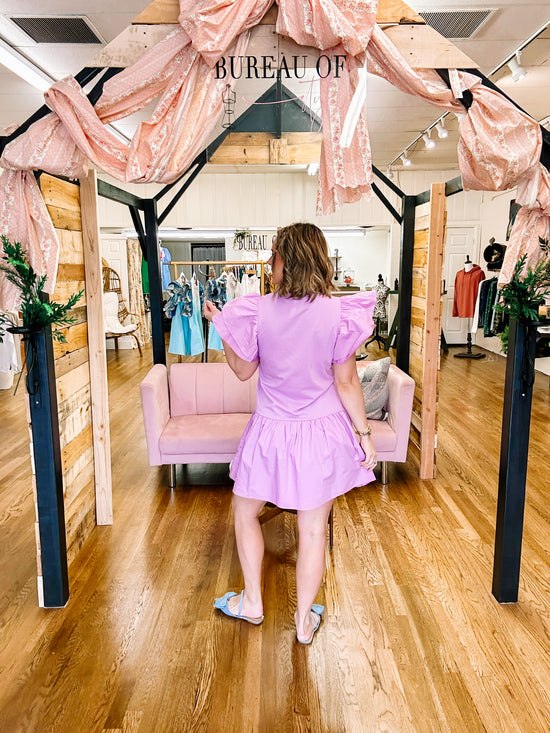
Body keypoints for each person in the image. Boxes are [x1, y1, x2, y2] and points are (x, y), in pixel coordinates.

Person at [203, 223, 377, 644]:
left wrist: (222, 329)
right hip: (322, 435)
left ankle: (253, 603)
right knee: (313, 530)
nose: (268, 262)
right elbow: (348, 382)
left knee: (245, 513)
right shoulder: (339, 313)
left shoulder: (256, 309)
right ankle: (302, 623)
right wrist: (364, 434)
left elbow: (243, 370)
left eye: (274, 254)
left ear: (290, 259)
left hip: (270, 433)